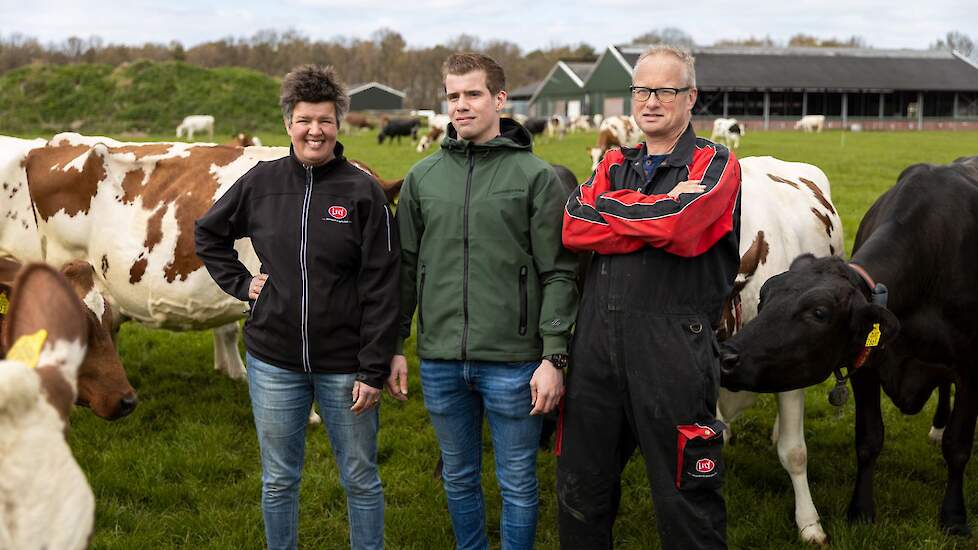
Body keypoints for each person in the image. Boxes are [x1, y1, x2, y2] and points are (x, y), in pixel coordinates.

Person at [194, 64, 399, 550]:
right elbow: (208, 233)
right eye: (304, 120)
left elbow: (384, 283)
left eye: (325, 120)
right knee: (279, 479)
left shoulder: (361, 191)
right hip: (272, 361)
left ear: (338, 125)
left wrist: (372, 368)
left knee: (360, 478)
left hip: (345, 365)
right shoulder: (261, 182)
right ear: (288, 124)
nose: (314, 130)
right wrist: (243, 285)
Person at [387, 53, 578, 550]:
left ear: (499, 99)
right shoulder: (423, 178)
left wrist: (553, 355)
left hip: (514, 363)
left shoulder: (536, 177)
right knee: (458, 477)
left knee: (517, 483)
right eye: (453, 95)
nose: (461, 105)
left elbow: (559, 271)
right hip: (441, 361)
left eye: (472, 94)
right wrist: (394, 345)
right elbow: (405, 268)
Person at [558, 46, 742, 549]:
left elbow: (682, 225)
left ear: (690, 97)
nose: (651, 101)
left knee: (687, 499)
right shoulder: (614, 160)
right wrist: (652, 220)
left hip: (674, 349)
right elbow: (574, 225)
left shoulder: (716, 163)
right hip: (595, 351)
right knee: (581, 492)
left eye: (665, 90)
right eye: (642, 90)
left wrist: (613, 211)